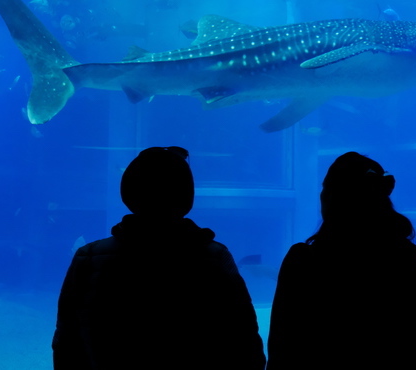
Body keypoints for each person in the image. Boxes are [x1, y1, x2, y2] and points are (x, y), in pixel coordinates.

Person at [52, 146, 266, 370]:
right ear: (186, 196)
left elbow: (67, 340)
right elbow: (244, 336)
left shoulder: (88, 257)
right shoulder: (215, 256)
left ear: (127, 192)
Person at [267, 152, 416, 369]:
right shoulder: (405, 256)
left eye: (326, 187)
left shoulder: (303, 260)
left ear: (331, 197)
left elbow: (283, 346)